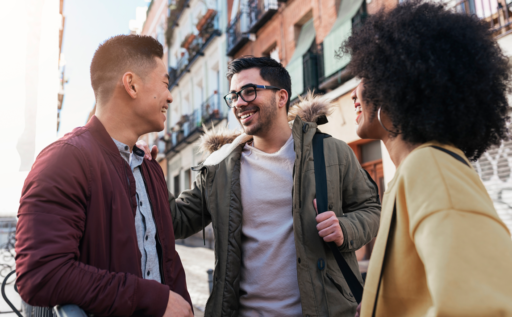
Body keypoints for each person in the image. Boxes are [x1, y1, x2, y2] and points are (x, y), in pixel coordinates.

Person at [140, 56, 381, 316]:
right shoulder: (219, 167)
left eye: (249, 91)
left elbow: (371, 208)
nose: (239, 103)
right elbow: (176, 221)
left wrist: (344, 228)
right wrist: (149, 173)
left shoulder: (330, 152)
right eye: (233, 96)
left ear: (281, 97)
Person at [342, 1, 512, 316]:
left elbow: (483, 308)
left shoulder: (429, 167)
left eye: (365, 74)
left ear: (398, 83)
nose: (354, 92)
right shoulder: (410, 173)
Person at [15, 35, 193, 317]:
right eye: (165, 83)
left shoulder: (149, 168)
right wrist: (152, 299)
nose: (170, 96)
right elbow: (41, 274)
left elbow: (167, 262)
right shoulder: (65, 159)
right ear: (131, 84)